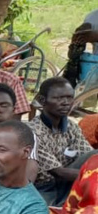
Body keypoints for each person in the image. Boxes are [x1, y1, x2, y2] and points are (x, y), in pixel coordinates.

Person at [27, 77, 97, 206]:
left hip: (67, 180)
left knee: (95, 155)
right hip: (43, 186)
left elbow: (89, 156)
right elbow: (58, 172)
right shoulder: (33, 131)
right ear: (43, 101)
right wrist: (91, 176)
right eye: (59, 98)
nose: (66, 103)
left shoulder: (71, 126)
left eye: (69, 98)